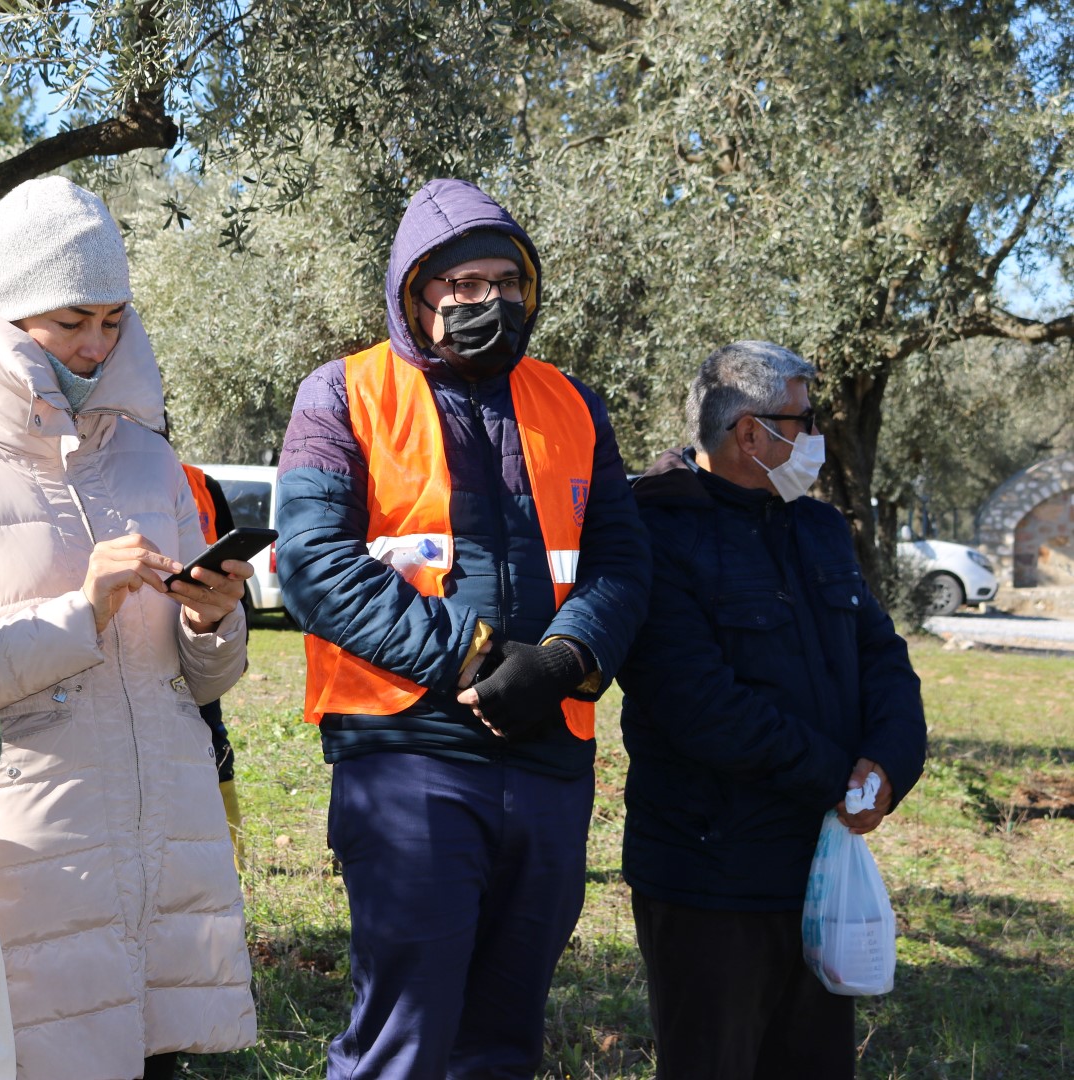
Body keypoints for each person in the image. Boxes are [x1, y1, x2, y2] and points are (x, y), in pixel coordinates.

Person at [0, 176, 257, 1080]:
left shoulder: (151, 458)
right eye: (69, 321)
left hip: (169, 842)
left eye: (114, 320)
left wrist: (213, 622)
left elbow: (202, 681)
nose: (95, 346)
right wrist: (80, 611)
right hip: (31, 855)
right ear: (7, 315)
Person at [275, 177, 651, 1079]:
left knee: (504, 1037)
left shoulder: (574, 403)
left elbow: (625, 564)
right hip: (407, 755)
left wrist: (561, 660)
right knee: (401, 1037)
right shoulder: (341, 395)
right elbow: (314, 566)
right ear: (418, 292)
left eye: (507, 283)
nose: (489, 302)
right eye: (463, 283)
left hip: (551, 757)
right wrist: (477, 658)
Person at [617, 340, 927, 1079]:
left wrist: (887, 766)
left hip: (815, 868)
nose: (817, 438)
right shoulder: (651, 532)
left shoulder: (817, 528)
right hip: (709, 874)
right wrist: (837, 778)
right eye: (805, 420)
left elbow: (882, 657)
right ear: (752, 433)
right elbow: (699, 704)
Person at [181, 459, 246, 867]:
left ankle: (234, 859)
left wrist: (239, 638)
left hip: (203, 636)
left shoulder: (202, 482)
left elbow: (234, 568)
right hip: (144, 637)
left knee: (214, 742)